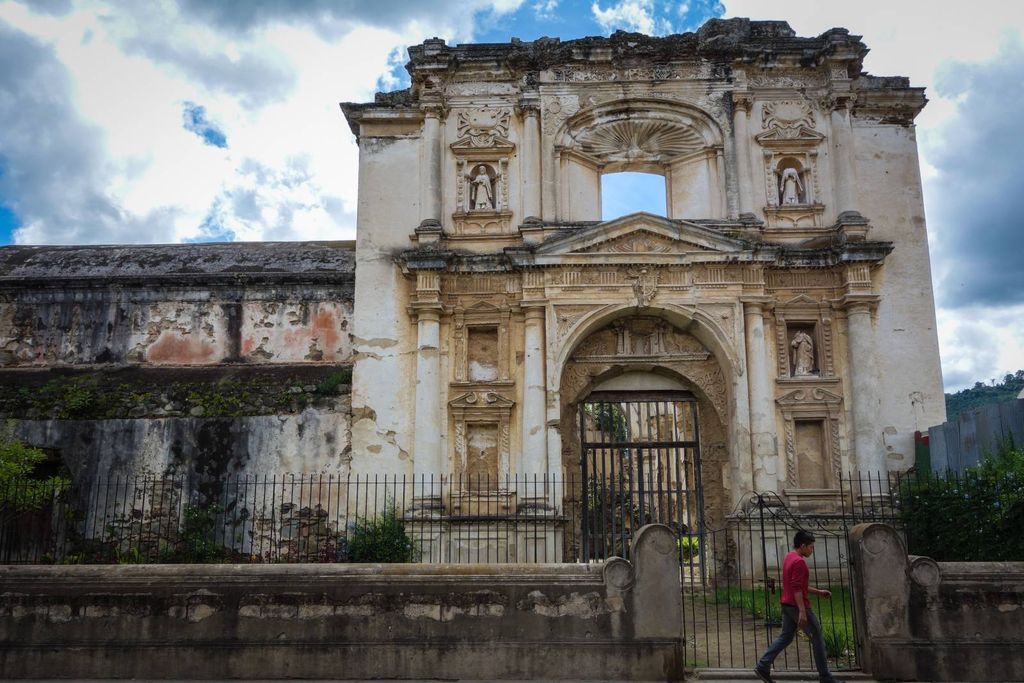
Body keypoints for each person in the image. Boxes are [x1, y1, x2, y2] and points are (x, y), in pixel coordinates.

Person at [754, 530, 837, 683]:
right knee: (817, 638)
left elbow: (797, 584)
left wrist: (818, 592)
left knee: (786, 637)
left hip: (786, 604)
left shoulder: (789, 556)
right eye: (811, 547)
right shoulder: (799, 562)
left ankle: (763, 666)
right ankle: (825, 677)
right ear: (803, 546)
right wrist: (802, 611)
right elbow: (796, 588)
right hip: (796, 606)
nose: (812, 550)